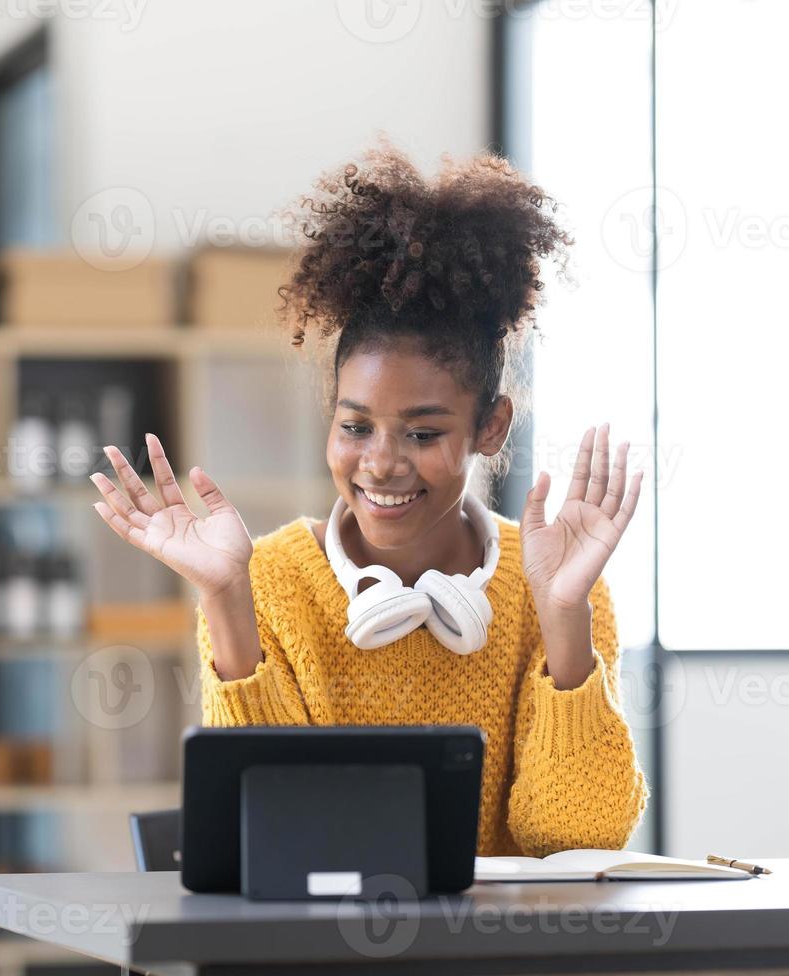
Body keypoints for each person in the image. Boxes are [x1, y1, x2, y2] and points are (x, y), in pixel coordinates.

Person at [88, 144, 648, 857]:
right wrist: (228, 595)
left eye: (422, 431)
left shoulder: (561, 589)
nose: (380, 463)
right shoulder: (270, 579)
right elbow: (267, 833)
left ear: (491, 427)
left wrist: (563, 619)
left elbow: (573, 837)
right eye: (356, 426)